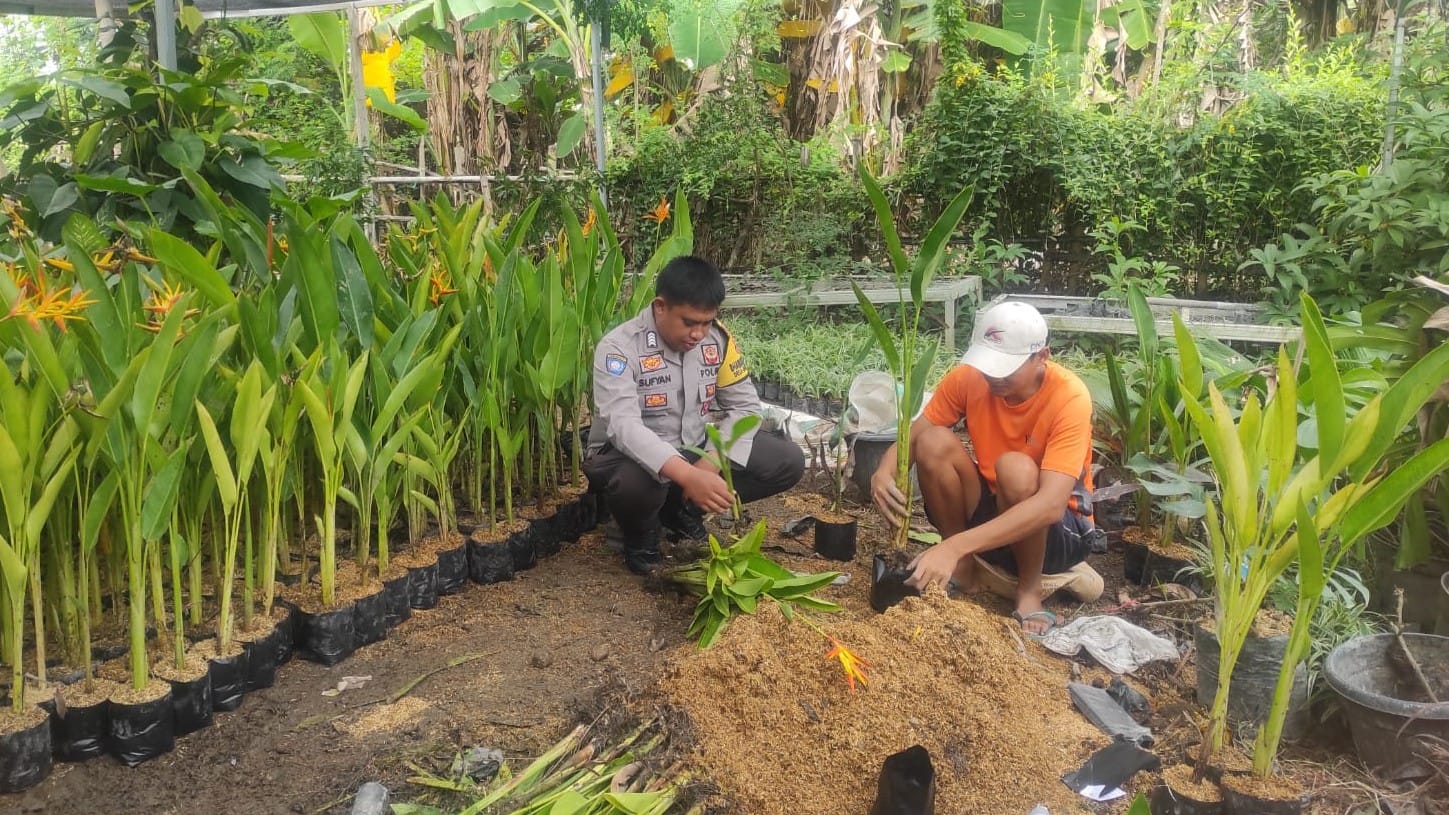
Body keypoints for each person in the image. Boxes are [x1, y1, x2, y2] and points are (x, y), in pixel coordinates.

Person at [870, 301, 1104, 636]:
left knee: (1015, 469)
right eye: (988, 365)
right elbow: (917, 433)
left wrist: (954, 545)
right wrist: (883, 470)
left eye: (1006, 367)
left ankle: (1029, 589)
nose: (994, 376)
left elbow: (1051, 505)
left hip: (1060, 532)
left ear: (1042, 357)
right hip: (997, 511)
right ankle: (963, 570)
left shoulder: (1069, 397)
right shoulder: (970, 379)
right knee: (934, 442)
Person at [585, 256, 805, 574]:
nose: (699, 333)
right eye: (689, 322)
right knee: (635, 482)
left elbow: (744, 407)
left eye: (706, 322)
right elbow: (624, 427)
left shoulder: (718, 340)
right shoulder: (619, 348)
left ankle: (680, 511)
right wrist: (689, 476)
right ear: (660, 307)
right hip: (625, 457)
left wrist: (711, 461)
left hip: (693, 446)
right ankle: (640, 537)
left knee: (786, 460)